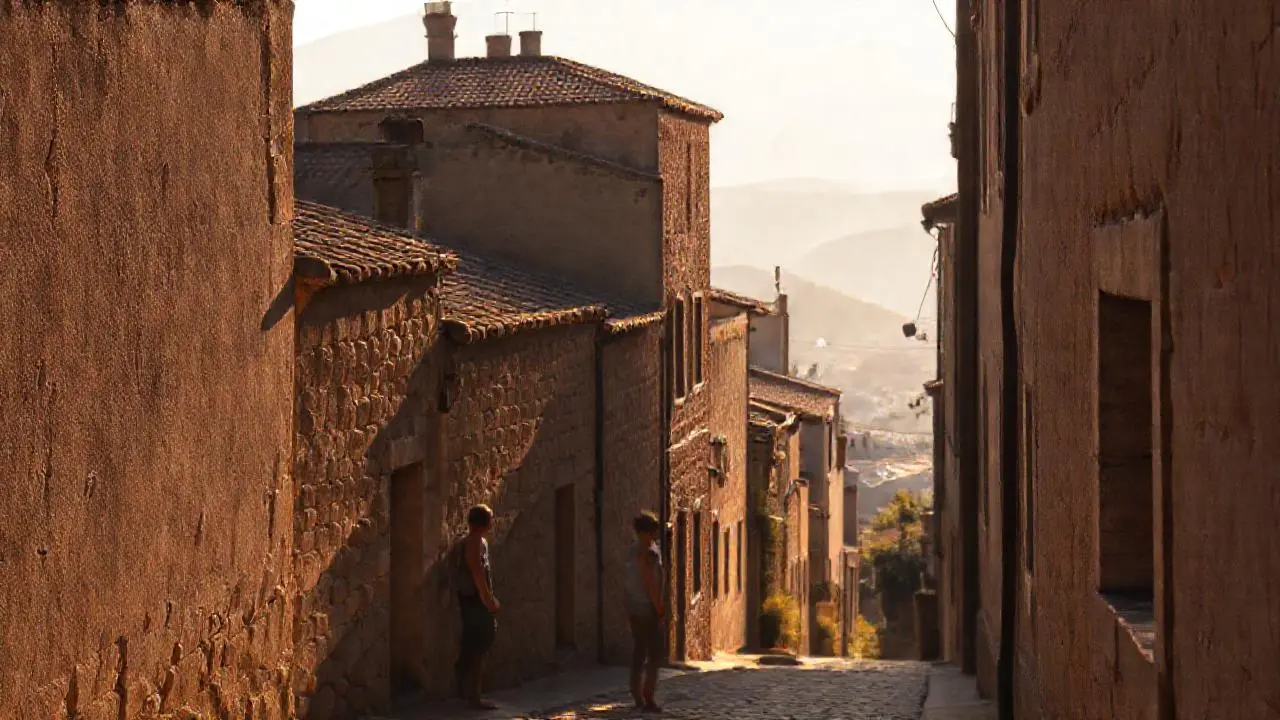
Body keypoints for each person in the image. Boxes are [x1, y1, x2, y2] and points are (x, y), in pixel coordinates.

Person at [452, 504, 500, 710]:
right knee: (478, 647)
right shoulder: (473, 544)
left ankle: (471, 693)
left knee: (479, 645)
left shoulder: (480, 542)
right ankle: (473, 696)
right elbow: (477, 573)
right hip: (474, 601)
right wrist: (489, 600)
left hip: (476, 600)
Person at [623, 511, 666, 713]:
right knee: (654, 654)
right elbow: (651, 585)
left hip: (633, 607)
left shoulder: (631, 550)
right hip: (647, 608)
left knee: (639, 651)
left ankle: (636, 693)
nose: (654, 536)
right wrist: (660, 610)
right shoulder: (649, 553)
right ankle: (648, 696)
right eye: (652, 533)